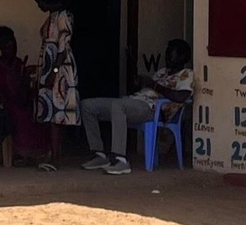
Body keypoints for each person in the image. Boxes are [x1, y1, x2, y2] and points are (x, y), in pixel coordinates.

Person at [80, 39, 194, 175]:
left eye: (171, 53)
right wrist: (140, 82)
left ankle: (120, 160)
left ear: (182, 56)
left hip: (152, 109)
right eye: (167, 52)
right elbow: (145, 90)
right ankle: (99, 154)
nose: (167, 56)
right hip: (134, 102)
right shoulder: (162, 72)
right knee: (87, 106)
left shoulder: (187, 74)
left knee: (118, 105)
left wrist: (153, 85)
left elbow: (181, 97)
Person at [0, 26, 46, 165]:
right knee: (18, 115)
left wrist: (25, 76)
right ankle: (20, 155)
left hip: (20, 101)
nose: (11, 49)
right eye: (7, 46)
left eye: (13, 45)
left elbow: (23, 90)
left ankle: (37, 153)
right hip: (2, 104)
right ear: (1, 46)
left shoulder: (19, 63)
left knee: (37, 112)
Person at [32, 0, 77, 171]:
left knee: (58, 114)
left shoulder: (63, 16)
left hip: (60, 70)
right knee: (50, 113)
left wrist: (55, 73)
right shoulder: (51, 17)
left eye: (40, 2)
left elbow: (63, 47)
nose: (39, 6)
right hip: (49, 68)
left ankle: (56, 156)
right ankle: (51, 152)